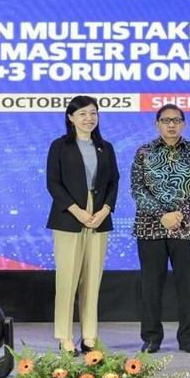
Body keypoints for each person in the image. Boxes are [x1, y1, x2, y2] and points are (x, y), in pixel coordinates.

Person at [131, 104, 190, 354]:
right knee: (151, 285)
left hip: (187, 228)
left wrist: (180, 214)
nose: (171, 125)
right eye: (165, 120)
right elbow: (137, 189)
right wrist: (162, 215)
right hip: (150, 228)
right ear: (157, 124)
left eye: (176, 120)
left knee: (188, 285)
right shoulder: (144, 152)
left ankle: (187, 338)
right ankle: (151, 337)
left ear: (184, 124)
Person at [46, 95, 120, 355]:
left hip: (99, 217)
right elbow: (53, 183)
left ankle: (89, 337)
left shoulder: (105, 147)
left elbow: (113, 182)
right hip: (69, 216)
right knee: (67, 279)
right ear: (70, 118)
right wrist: (77, 210)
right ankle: (64, 337)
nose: (89, 118)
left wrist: (105, 210)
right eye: (83, 114)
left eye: (93, 113)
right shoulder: (60, 146)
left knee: (92, 280)